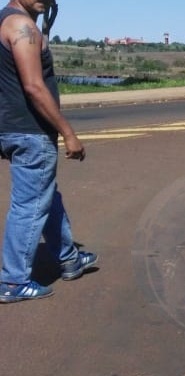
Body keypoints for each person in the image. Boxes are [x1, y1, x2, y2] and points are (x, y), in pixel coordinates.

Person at [0, 0, 95, 303]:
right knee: (29, 204)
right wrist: (69, 134)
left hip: (11, 126)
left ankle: (68, 258)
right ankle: (14, 281)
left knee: (45, 194)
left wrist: (46, 22)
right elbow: (34, 87)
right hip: (31, 130)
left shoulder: (9, 21)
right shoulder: (22, 27)